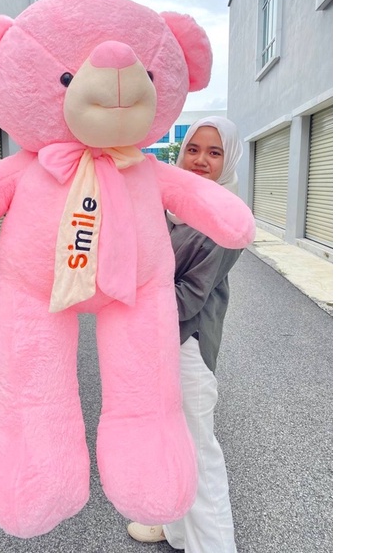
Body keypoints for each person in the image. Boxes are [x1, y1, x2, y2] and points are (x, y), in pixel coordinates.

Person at [127, 116, 247, 553]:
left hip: (189, 344)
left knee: (198, 452)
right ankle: (177, 529)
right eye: (193, 149)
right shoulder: (172, 204)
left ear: (228, 160)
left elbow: (188, 297)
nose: (200, 160)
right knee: (171, 441)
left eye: (214, 152)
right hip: (158, 343)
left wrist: (128, 298)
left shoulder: (226, 218)